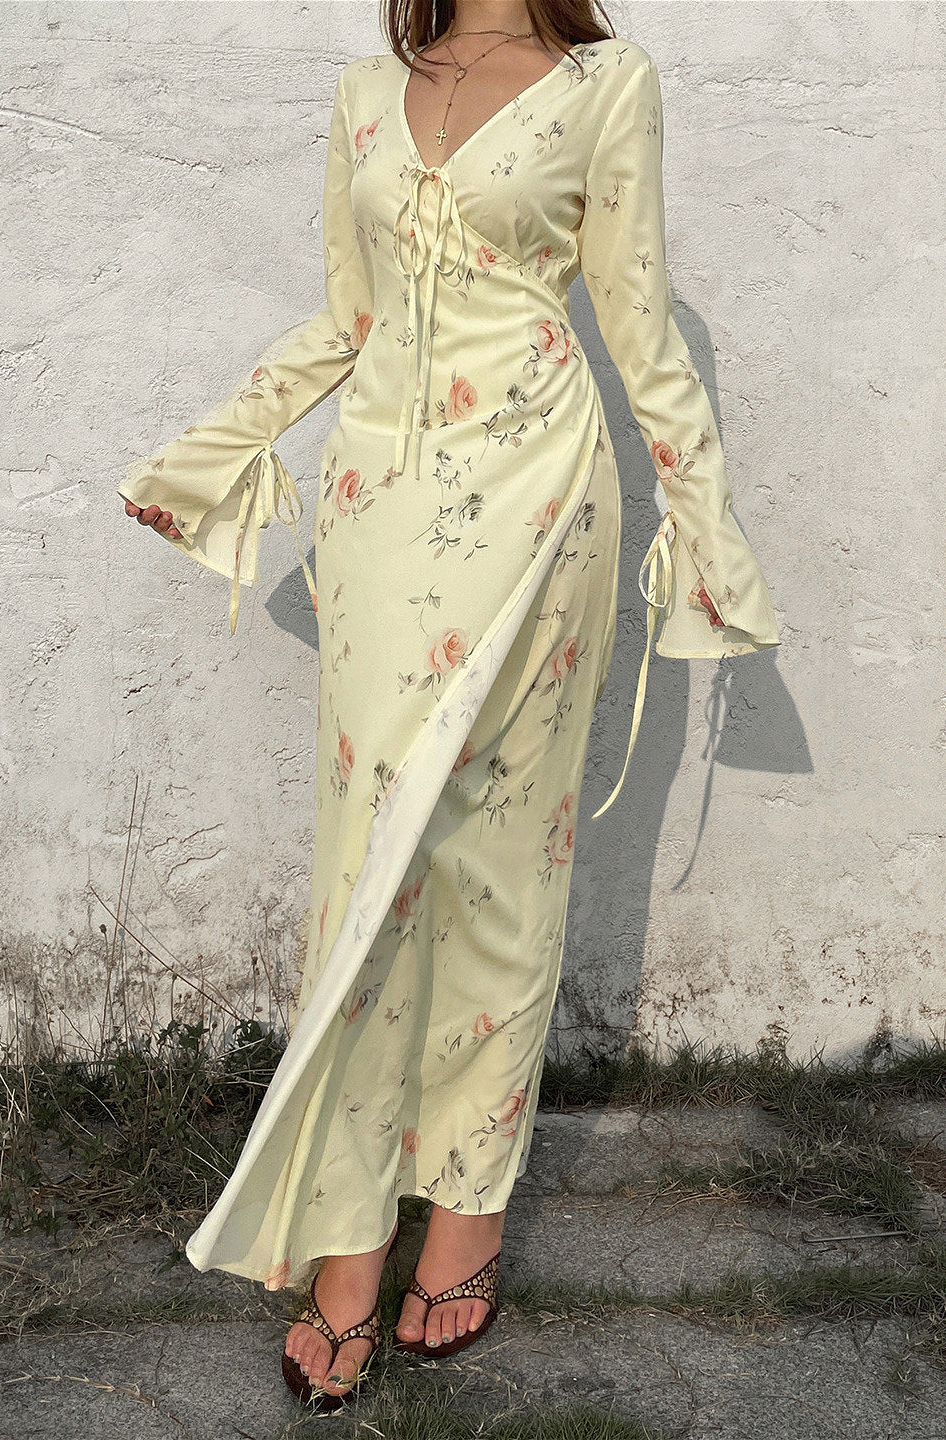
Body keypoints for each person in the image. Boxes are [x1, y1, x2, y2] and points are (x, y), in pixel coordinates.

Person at [119, 0, 780, 1411]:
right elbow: (350, 317)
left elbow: (641, 329)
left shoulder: (607, 82)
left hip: (544, 501)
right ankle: (348, 1235)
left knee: (501, 869)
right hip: (378, 507)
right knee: (371, 868)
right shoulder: (369, 91)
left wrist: (712, 551)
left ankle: (466, 1217)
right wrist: (216, 447)